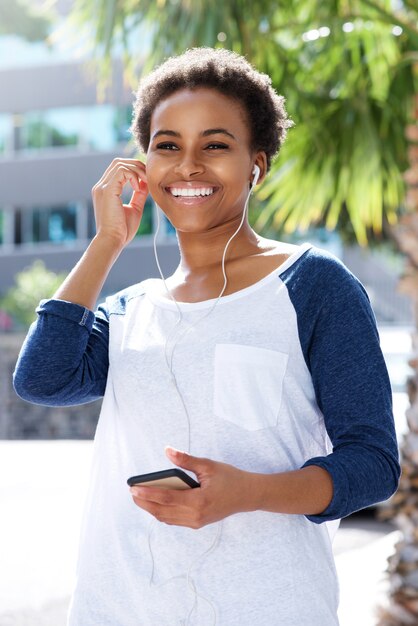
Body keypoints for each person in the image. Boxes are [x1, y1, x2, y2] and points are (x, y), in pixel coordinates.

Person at [13, 47, 400, 626]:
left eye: (215, 145)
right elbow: (43, 380)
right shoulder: (128, 309)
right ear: (144, 166)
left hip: (268, 609)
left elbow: (372, 464)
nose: (188, 166)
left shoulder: (315, 285)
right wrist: (105, 244)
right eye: (168, 146)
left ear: (257, 165)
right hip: (117, 609)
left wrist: (248, 492)